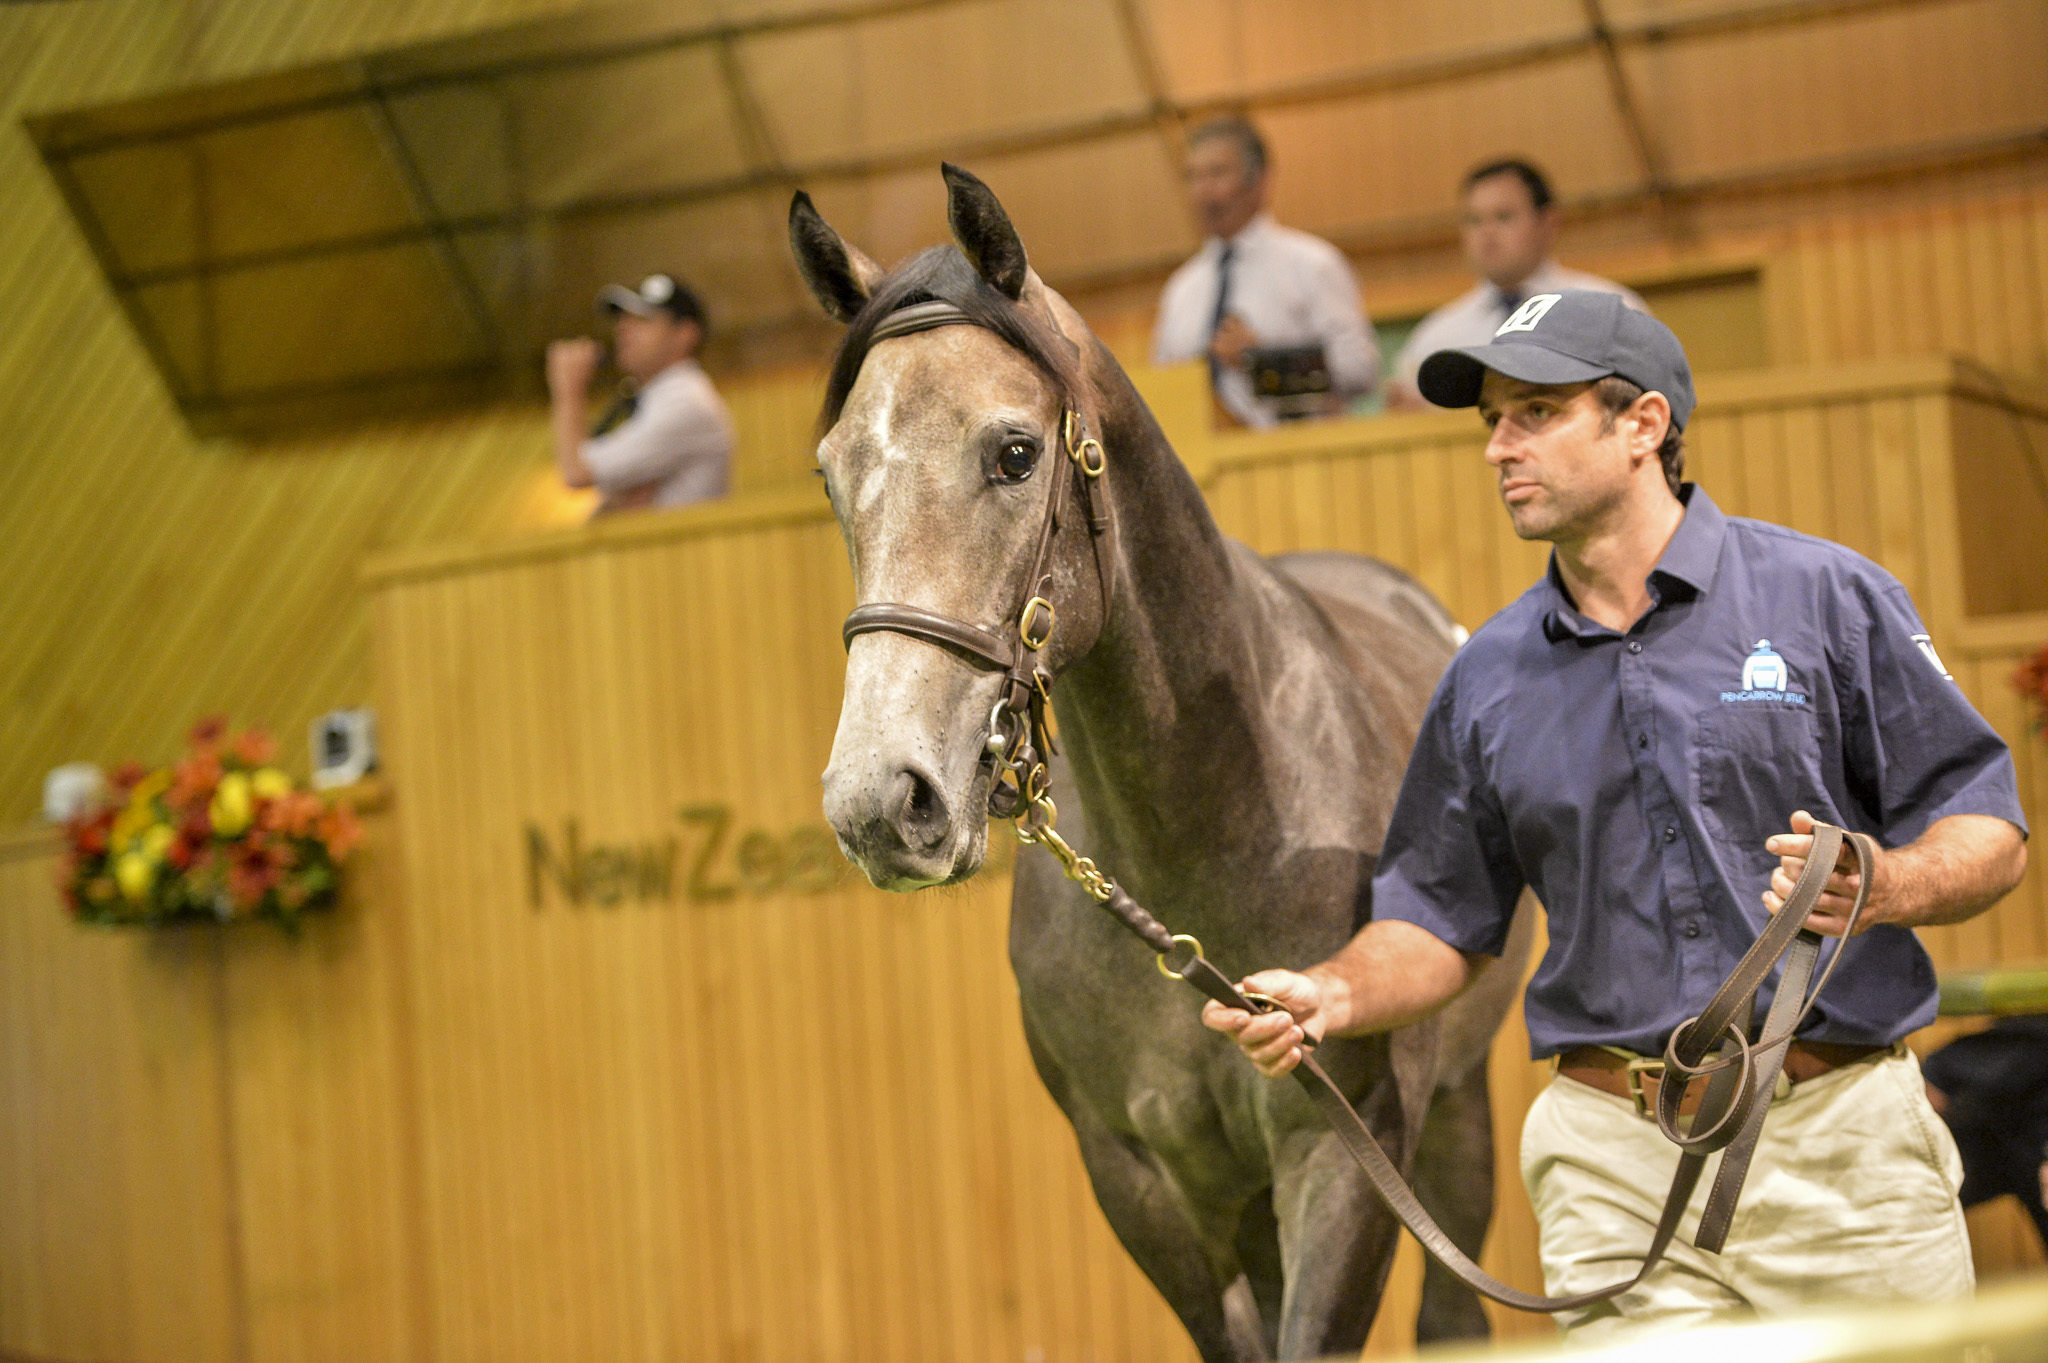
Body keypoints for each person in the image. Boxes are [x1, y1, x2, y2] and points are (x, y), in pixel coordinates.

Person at [1202, 289, 2029, 1337]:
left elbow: (1985, 827)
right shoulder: (1484, 678)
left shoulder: (1826, 597)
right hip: (1610, 1164)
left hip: (1843, 1152)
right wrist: (1327, 992)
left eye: (1533, 414)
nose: (1497, 446)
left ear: (1641, 425)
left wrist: (1889, 883)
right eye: (1489, 420)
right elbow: (1436, 918)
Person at [1152, 117, 1381, 427]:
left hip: (1295, 460)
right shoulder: (1182, 288)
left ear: (1259, 180)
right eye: (1193, 176)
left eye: (1217, 173)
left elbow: (1361, 370)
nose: (1203, 191)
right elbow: (1162, 388)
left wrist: (1264, 362)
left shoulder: (1312, 265)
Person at [1387, 160, 1644, 410]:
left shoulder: (1610, 311)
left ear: (1548, 223)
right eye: (1474, 220)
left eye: (1504, 217)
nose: (1487, 233)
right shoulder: (1436, 338)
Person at [548, 273, 733, 516]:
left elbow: (578, 471)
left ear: (686, 333)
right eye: (623, 319)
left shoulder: (685, 401)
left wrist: (568, 390)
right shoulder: (655, 399)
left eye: (643, 319)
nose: (624, 328)